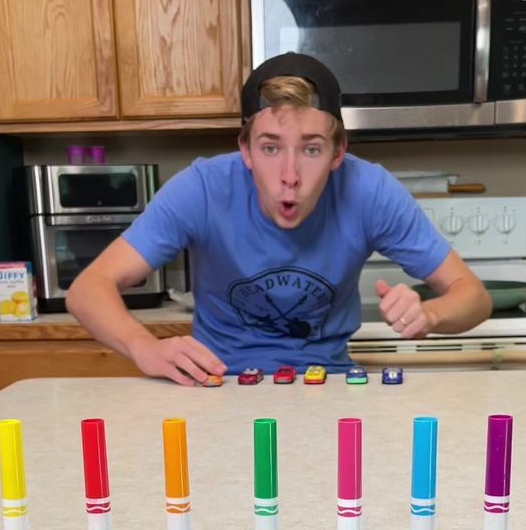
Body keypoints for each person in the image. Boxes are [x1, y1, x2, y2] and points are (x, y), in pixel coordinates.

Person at [66, 52, 491, 385]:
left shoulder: (370, 191)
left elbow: (473, 296)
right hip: (216, 386)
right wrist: (145, 348)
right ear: (246, 151)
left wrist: (429, 315)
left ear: (338, 153)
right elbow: (88, 289)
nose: (290, 177)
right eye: (270, 148)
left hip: (329, 386)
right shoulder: (201, 188)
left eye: (310, 149)